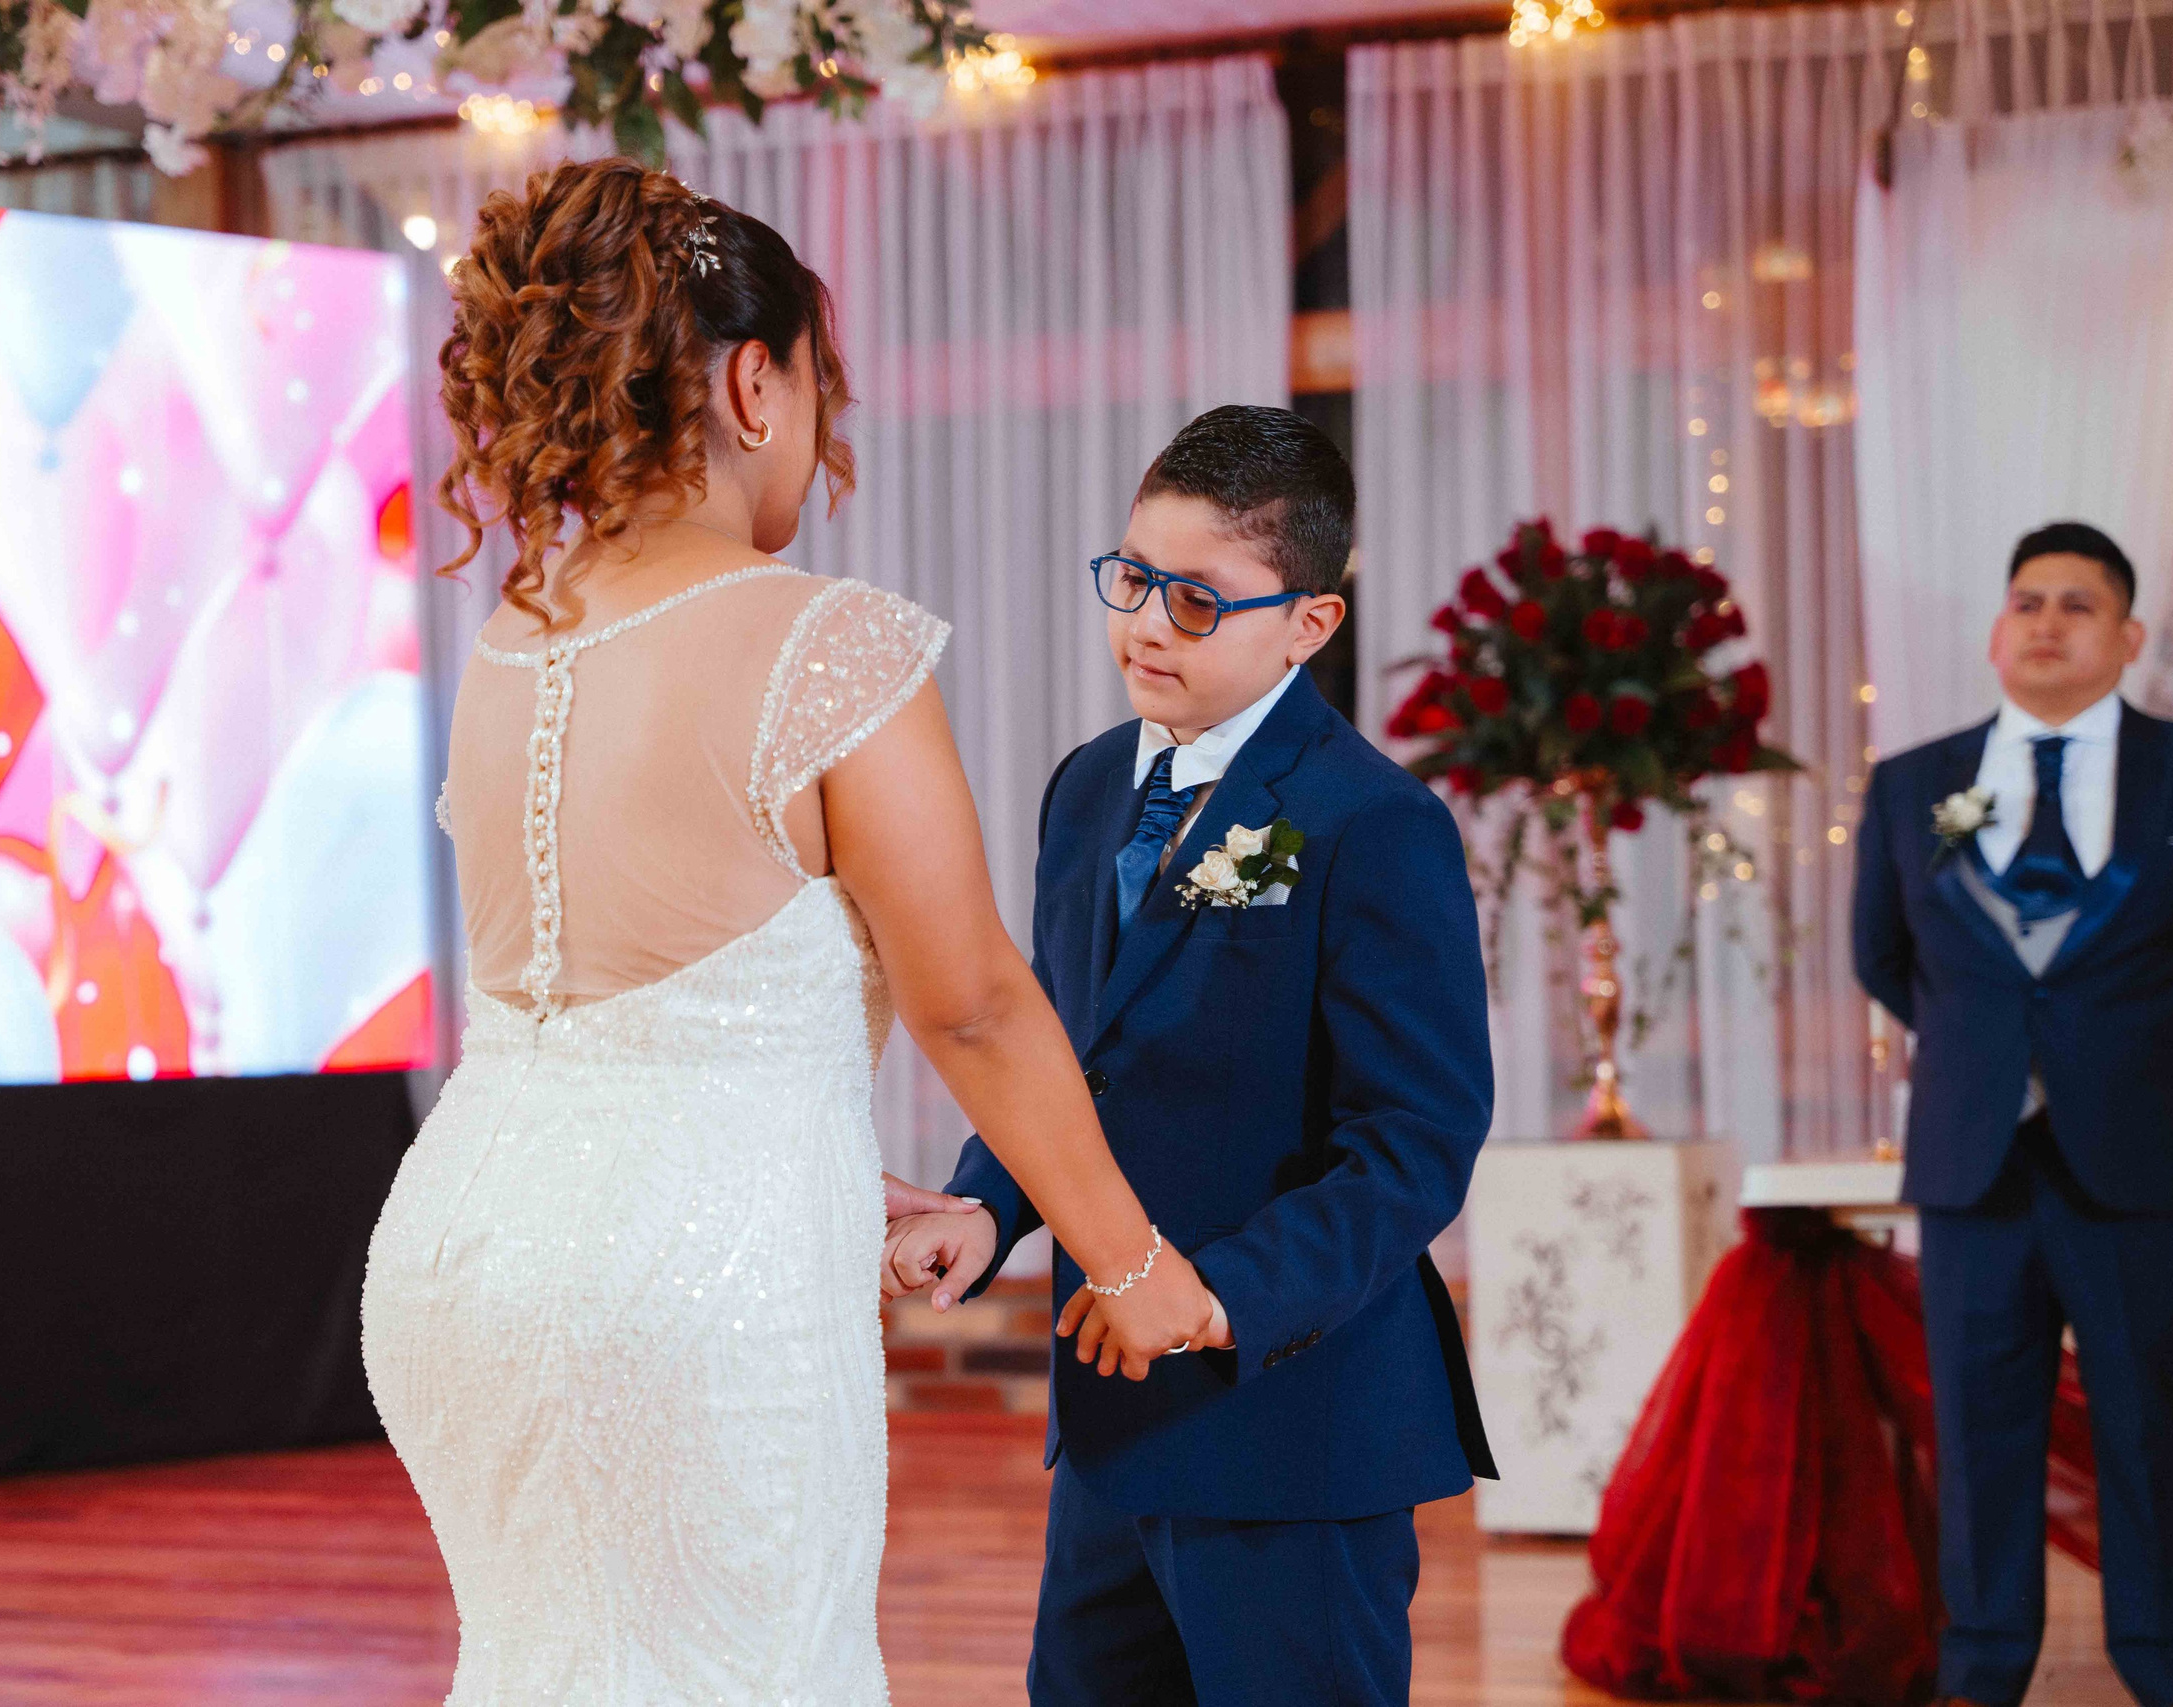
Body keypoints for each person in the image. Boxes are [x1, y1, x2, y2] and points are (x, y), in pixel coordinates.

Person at [357, 158, 1221, 1704]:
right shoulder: (826, 639)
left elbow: (603, 1016)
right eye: (825, 390)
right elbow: (973, 1002)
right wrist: (1130, 1256)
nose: (826, 443)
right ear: (754, 384)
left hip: (452, 1258)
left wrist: (802, 1154)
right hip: (692, 1295)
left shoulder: (510, 643)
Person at [886, 406, 1497, 1706]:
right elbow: (1065, 1043)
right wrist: (987, 1207)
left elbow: (1416, 1143)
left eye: (1199, 599)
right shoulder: (1087, 786)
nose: (1147, 625)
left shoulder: (1373, 821)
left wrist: (1215, 1296)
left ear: (1308, 624)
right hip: (1109, 1424)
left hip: (1290, 1423)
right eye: (1132, 578)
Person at [1852, 521, 2173, 1707]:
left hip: (2147, 1163)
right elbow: (1883, 956)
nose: (2046, 622)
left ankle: (2169, 1667)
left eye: (2076, 603)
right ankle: (1980, 1669)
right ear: (1995, 634)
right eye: (2026, 602)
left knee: (2154, 1431)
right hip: (1976, 1164)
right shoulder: (1915, 784)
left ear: (2130, 637)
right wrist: (1994, 1053)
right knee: (1976, 1437)